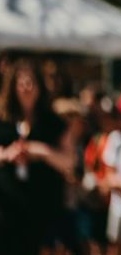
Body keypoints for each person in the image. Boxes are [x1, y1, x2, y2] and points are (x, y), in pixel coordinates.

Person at [0, 57, 76, 254]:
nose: (27, 88)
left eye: (31, 82)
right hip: (8, 212)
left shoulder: (54, 123)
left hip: (45, 210)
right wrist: (8, 154)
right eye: (22, 83)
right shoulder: (3, 121)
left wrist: (41, 151)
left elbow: (69, 162)